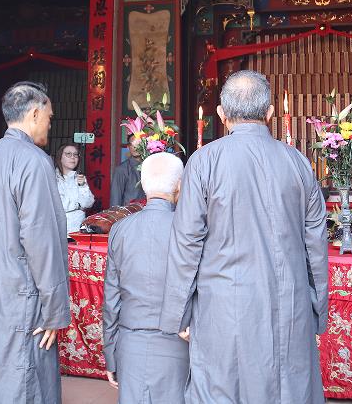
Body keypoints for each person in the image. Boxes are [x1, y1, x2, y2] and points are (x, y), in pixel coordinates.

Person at [159, 70, 329, 404]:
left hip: (223, 305)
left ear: (221, 114)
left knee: (223, 387)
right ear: (270, 114)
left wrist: (178, 313)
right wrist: (315, 310)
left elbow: (187, 242)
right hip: (289, 304)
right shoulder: (298, 162)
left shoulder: (204, 161)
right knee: (289, 389)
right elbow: (316, 246)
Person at [0, 81, 70, 404]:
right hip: (21, 290)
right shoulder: (33, 160)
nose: (50, 123)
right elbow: (41, 240)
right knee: (23, 379)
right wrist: (54, 310)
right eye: (49, 117)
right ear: (34, 114)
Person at [103, 152, 189, 402]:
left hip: (131, 343)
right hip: (178, 343)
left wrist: (111, 353)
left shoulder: (120, 229)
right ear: (179, 185)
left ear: (143, 183)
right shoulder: (189, 229)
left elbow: (111, 300)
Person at [55, 143, 95, 234]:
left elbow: (88, 203)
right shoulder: (52, 178)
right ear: (60, 157)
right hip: (58, 229)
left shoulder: (79, 177)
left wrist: (83, 185)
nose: (73, 157)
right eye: (68, 154)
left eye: (75, 154)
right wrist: (78, 206)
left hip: (78, 229)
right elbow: (58, 206)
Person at [109, 134, 145, 208]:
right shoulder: (122, 169)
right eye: (132, 144)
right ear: (128, 147)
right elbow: (115, 199)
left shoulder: (150, 166)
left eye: (138, 143)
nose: (135, 147)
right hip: (130, 212)